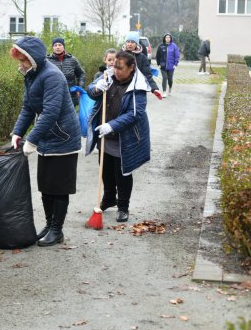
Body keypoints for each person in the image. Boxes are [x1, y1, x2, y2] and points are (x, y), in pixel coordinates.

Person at [9, 36, 81, 247]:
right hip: (48, 136)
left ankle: (57, 230)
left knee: (59, 187)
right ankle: (49, 225)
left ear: (33, 58)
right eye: (20, 60)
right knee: (46, 185)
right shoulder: (32, 74)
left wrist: (31, 140)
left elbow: (50, 112)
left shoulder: (52, 77)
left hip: (63, 136)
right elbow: (28, 107)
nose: (21, 64)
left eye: (23, 60)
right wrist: (18, 132)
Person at [85, 50, 151, 223]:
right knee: (105, 170)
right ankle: (108, 198)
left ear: (132, 68)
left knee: (122, 172)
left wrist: (111, 125)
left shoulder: (138, 86)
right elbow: (90, 90)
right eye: (114, 67)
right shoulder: (107, 76)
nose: (116, 71)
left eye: (120, 68)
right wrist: (97, 88)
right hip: (105, 136)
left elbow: (135, 114)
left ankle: (123, 206)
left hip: (125, 137)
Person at [47, 37, 86, 107]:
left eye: (60, 45)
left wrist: (79, 87)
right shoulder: (47, 61)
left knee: (69, 117)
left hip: (70, 96)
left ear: (63, 46)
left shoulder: (72, 59)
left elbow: (81, 74)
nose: (57, 47)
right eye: (55, 45)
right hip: (53, 96)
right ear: (52, 47)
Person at [123, 31, 163, 100]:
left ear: (136, 44)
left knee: (139, 110)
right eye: (128, 42)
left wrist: (154, 88)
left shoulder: (142, 57)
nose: (130, 44)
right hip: (123, 90)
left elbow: (147, 75)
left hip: (138, 90)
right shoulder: (120, 56)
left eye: (132, 42)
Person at [155, 33, 180, 98]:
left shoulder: (174, 46)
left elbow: (177, 56)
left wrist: (175, 64)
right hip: (162, 66)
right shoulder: (161, 46)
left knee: (170, 79)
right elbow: (158, 56)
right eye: (166, 37)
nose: (168, 38)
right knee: (164, 78)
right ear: (164, 38)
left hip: (171, 66)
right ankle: (164, 92)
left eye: (169, 37)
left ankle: (170, 88)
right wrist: (158, 64)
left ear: (170, 38)